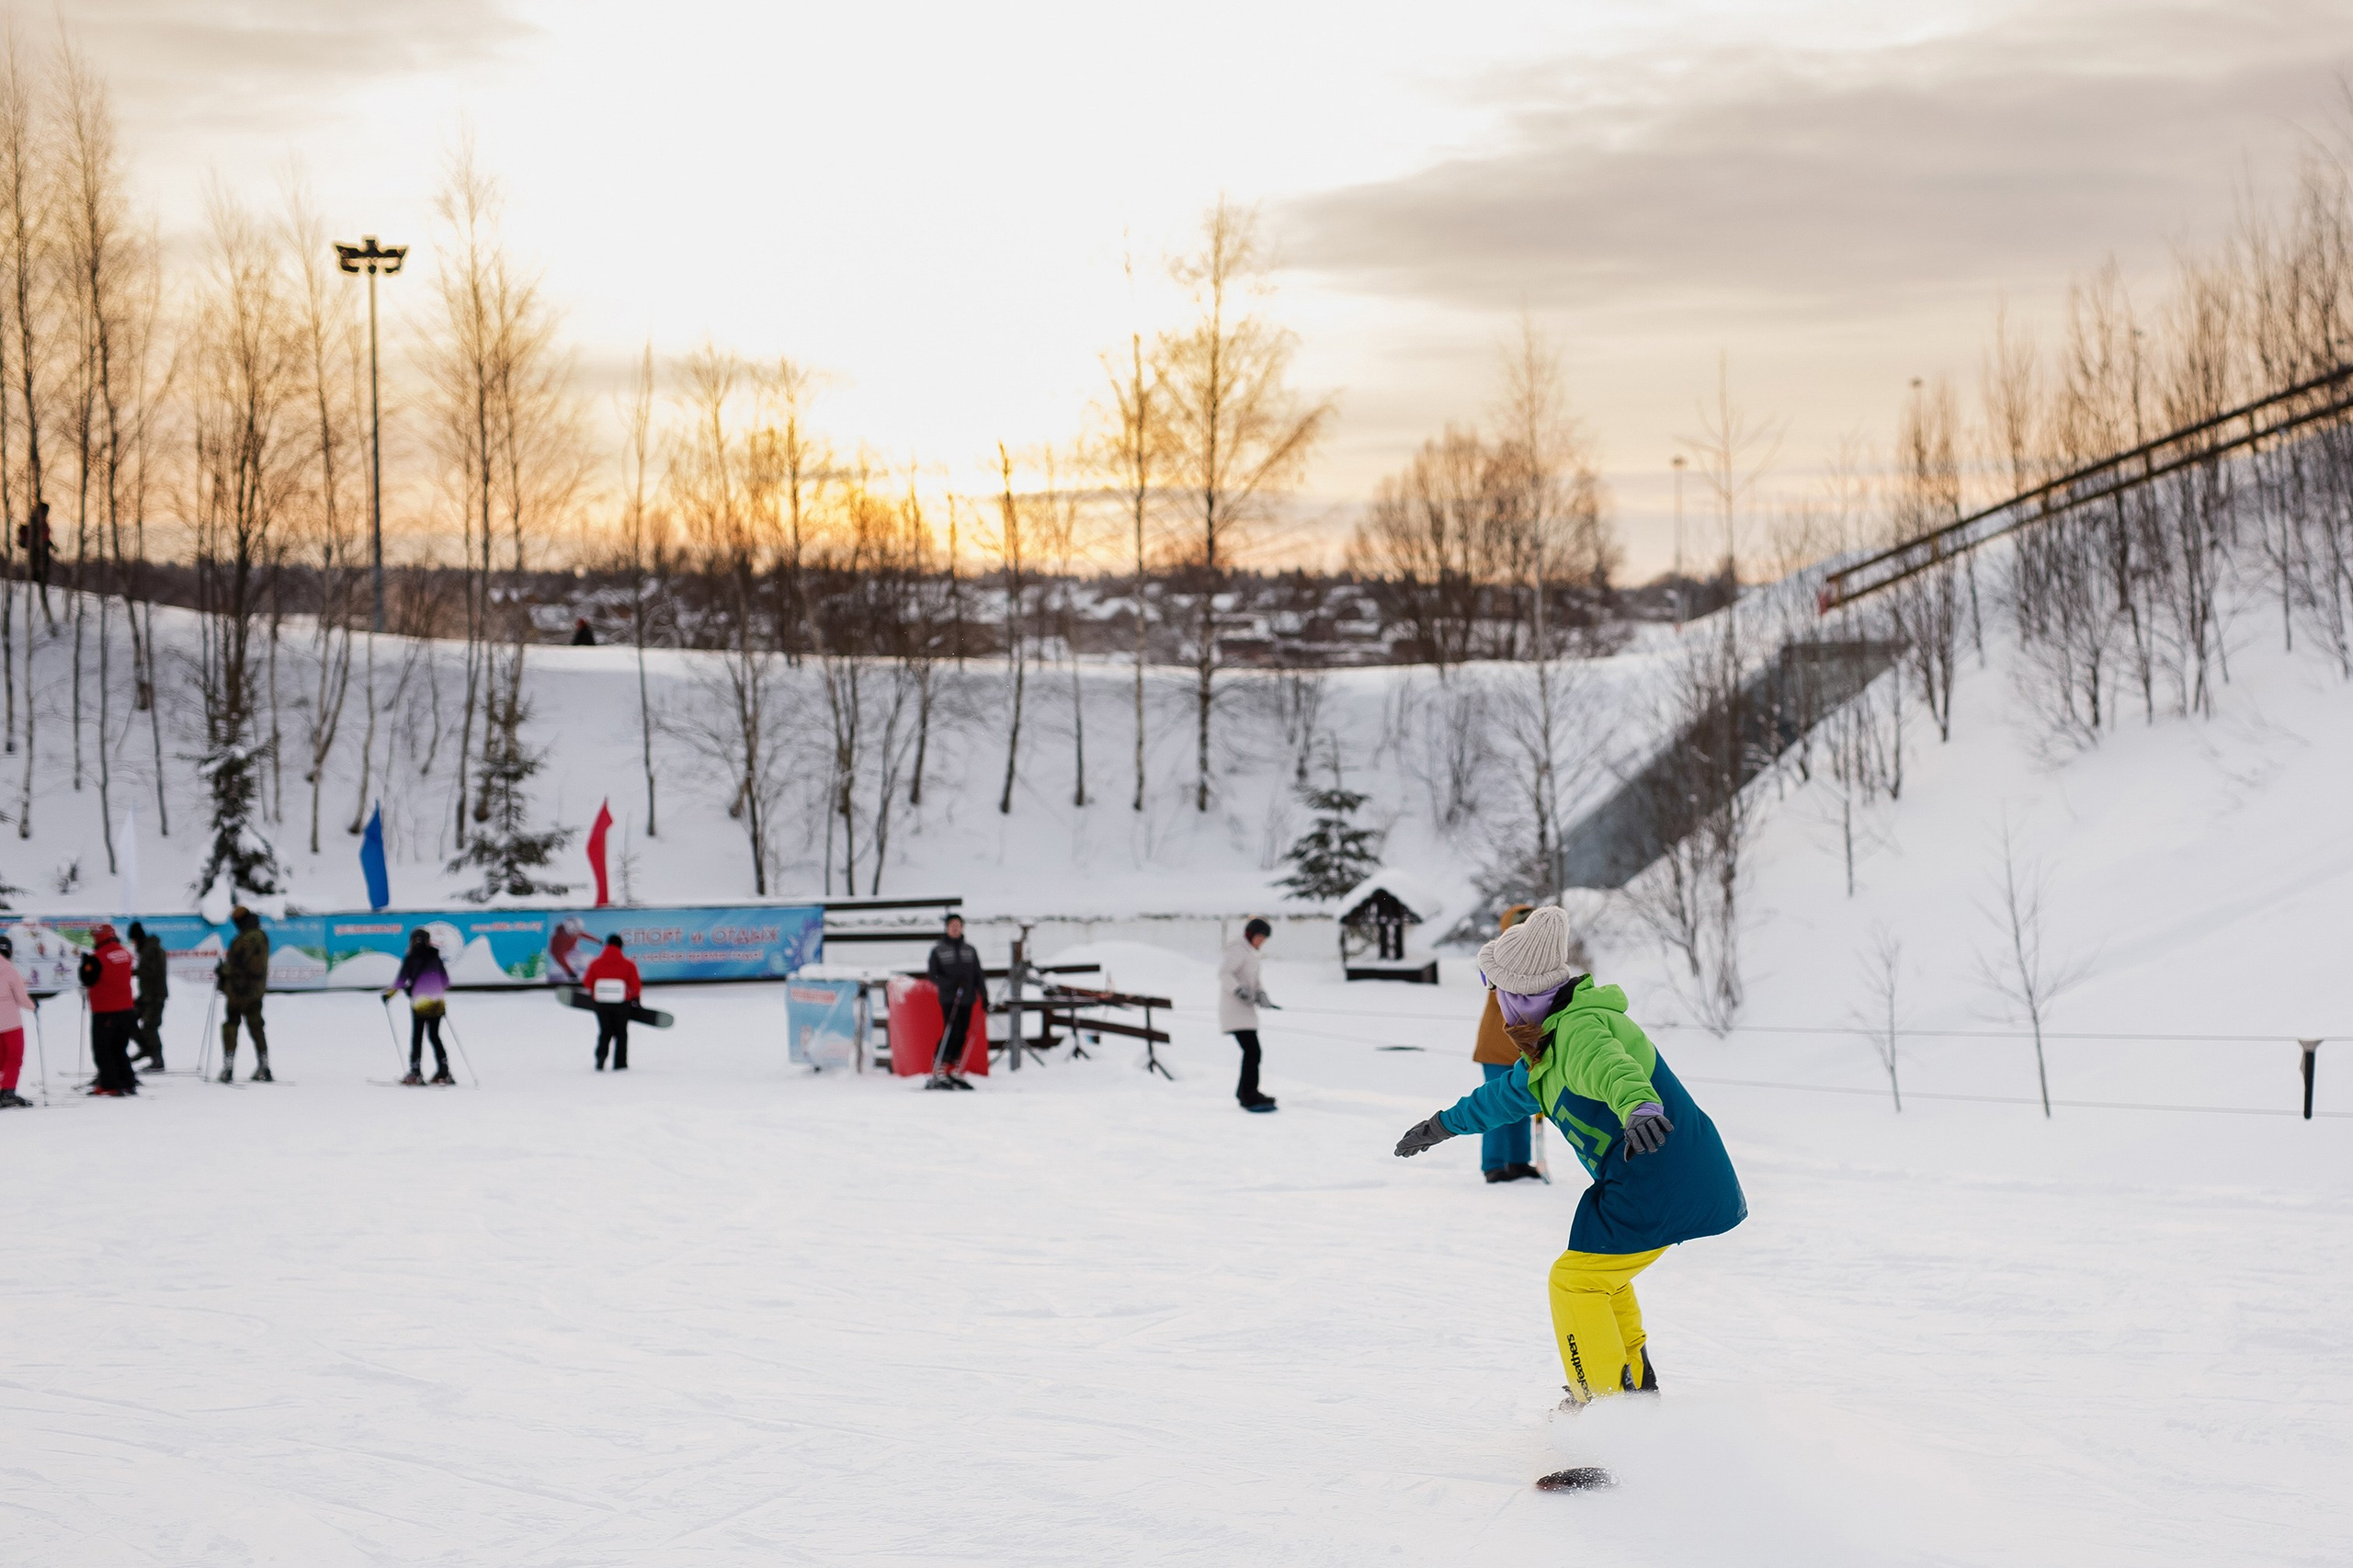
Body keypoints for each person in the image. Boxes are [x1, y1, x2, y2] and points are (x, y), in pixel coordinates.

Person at [1392, 906, 1746, 1481]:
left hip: (1662, 1172)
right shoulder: (1548, 1052)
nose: (1496, 1005)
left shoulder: (1580, 1032)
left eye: (1498, 992)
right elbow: (1498, 1099)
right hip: (1656, 1176)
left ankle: (1603, 1426)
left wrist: (1641, 1108)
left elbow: (1616, 1070)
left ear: (1523, 995)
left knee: (1574, 1280)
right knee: (1596, 1272)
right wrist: (1439, 1126)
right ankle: (1633, 1386)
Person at [1470, 904, 1543, 1184]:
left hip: (1523, 1049)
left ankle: (1517, 1161)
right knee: (1497, 1104)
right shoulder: (1499, 955)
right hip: (1496, 1047)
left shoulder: (1538, 958)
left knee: (1522, 1103)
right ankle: (1494, 1164)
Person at [1218, 917, 1279, 1113]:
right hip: (1234, 1010)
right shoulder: (1237, 949)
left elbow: (1254, 980)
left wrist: (1261, 994)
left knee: (1253, 1053)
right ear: (1250, 934)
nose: (1261, 942)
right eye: (1260, 938)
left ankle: (1248, 1092)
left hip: (1245, 1011)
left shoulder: (1250, 953)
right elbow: (1224, 974)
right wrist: (1239, 990)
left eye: (1264, 940)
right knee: (1253, 1052)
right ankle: (1248, 1095)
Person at [385, 929, 454, 1085]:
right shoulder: (436, 958)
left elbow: (400, 981)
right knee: (434, 1036)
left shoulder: (411, 958)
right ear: (428, 940)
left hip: (421, 1004)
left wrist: (388, 995)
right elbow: (446, 982)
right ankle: (444, 1071)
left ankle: (415, 1072)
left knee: (417, 1037)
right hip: (438, 1003)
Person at [79, 922, 141, 1096]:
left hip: (105, 1011)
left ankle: (109, 1084)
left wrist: (85, 964)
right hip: (127, 1009)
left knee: (103, 1050)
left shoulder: (98, 957)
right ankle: (128, 1081)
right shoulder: (125, 953)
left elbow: (88, 979)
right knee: (120, 1048)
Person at [924, 915, 984, 1091]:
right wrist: (951, 982)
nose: (955, 929)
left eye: (958, 926)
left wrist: (984, 994)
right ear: (947, 928)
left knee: (962, 1032)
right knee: (952, 1030)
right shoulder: (939, 950)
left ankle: (956, 1069)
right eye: (952, 926)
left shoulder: (970, 950)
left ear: (962, 928)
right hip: (950, 997)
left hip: (967, 997)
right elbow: (933, 975)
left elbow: (978, 973)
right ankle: (940, 1067)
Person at [216, 905, 273, 1084]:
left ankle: (228, 1068)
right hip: (256, 991)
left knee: (231, 1026)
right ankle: (264, 1066)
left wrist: (222, 970)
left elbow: (237, 964)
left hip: (239, 991)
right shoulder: (261, 936)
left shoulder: (244, 939)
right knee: (256, 1026)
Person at [582, 934, 641, 1071]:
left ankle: (601, 1057)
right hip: (622, 1004)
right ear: (621, 946)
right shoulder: (628, 965)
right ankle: (620, 1063)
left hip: (601, 1004)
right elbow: (635, 984)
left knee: (605, 1031)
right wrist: (636, 998)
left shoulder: (595, 963)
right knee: (621, 1033)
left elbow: (587, 982)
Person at [0, 932, 35, 1108]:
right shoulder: (10, 970)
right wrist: (33, 1005)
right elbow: (21, 998)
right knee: (13, 1057)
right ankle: (7, 1091)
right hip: (11, 1023)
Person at [129, 921, 168, 1073]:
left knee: (150, 1026)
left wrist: (133, 971)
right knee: (129, 1019)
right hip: (147, 995)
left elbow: (151, 972)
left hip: (155, 995)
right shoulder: (148, 949)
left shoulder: (150, 950)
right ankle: (146, 1049)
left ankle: (157, 1060)